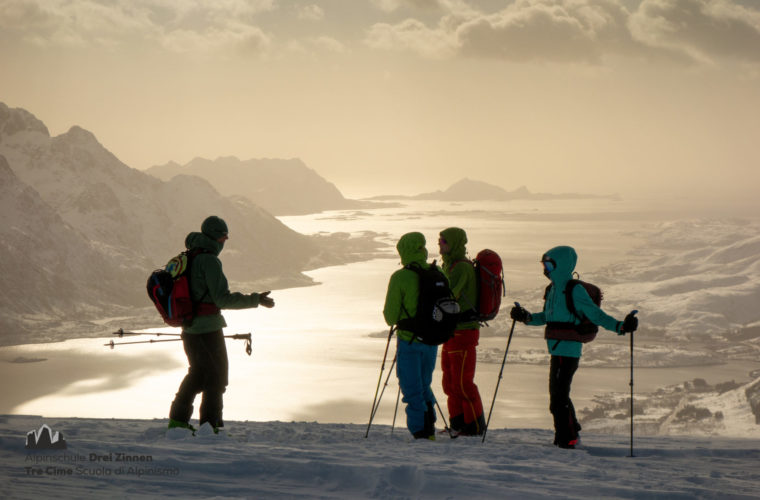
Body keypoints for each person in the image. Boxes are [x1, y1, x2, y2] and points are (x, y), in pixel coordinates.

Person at [510, 245, 638, 449]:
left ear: (560, 265)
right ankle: (571, 432)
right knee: (560, 395)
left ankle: (566, 439)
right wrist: (527, 317)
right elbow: (547, 317)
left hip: (568, 350)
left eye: (549, 264)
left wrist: (620, 327)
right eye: (543, 264)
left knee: (557, 399)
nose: (545, 269)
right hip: (557, 349)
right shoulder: (552, 289)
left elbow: (595, 314)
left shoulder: (574, 289)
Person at [168, 215, 275, 433]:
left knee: (197, 374)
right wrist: (256, 299)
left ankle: (178, 421)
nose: (225, 242)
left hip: (189, 329)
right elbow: (222, 299)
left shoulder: (188, 257)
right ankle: (211, 426)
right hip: (208, 330)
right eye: (224, 238)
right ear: (217, 238)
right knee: (217, 379)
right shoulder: (209, 261)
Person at [383, 232, 439, 440]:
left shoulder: (400, 277)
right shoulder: (437, 271)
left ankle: (421, 432)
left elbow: (390, 317)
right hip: (432, 340)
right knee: (424, 384)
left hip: (409, 340)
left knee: (411, 388)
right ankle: (429, 425)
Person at [438, 227, 486, 436]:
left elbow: (451, 296)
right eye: (439, 240)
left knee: (462, 382)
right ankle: (457, 423)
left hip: (464, 332)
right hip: (452, 332)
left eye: (443, 241)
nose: (439, 244)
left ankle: (474, 426)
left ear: (454, 243)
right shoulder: (449, 265)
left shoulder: (461, 268)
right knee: (449, 382)